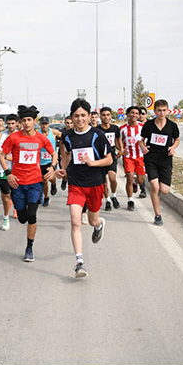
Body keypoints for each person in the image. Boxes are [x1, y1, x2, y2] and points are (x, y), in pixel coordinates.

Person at [56, 99, 112, 278]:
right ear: (72, 118)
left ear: (89, 116)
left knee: (93, 220)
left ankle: (99, 224)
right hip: (76, 184)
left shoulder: (97, 135)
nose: (79, 119)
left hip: (95, 184)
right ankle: (79, 262)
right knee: (75, 221)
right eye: (76, 116)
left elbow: (109, 159)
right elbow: (65, 154)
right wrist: (62, 169)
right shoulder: (67, 136)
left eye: (83, 115)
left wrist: (93, 163)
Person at [0, 105, 56, 262]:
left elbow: (53, 153)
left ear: (34, 121)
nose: (26, 123)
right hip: (17, 182)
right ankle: (21, 211)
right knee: (22, 218)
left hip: (35, 181)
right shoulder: (14, 138)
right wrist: (8, 173)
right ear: (20, 122)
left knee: (32, 214)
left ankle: (29, 247)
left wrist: (52, 167)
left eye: (29, 120)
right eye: (23, 120)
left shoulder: (41, 138)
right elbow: (2, 155)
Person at [139, 99, 180, 226]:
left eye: (164, 110)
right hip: (151, 158)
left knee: (165, 190)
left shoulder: (172, 126)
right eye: (159, 110)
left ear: (167, 111)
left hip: (165, 160)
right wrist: (143, 147)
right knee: (154, 186)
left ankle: (157, 197)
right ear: (155, 111)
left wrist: (173, 148)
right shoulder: (149, 125)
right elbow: (141, 140)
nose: (162, 113)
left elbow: (177, 140)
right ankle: (157, 215)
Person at [120, 106, 147, 210]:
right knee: (130, 177)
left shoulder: (143, 127)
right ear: (127, 114)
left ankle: (136, 183)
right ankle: (130, 200)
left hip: (140, 157)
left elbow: (146, 140)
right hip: (128, 157)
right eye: (132, 113)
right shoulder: (122, 129)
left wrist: (146, 147)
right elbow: (119, 141)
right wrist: (121, 149)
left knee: (141, 180)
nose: (134, 115)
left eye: (136, 113)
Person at [98, 107, 123, 211]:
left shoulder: (115, 128)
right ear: (100, 116)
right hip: (101, 158)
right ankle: (107, 200)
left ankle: (114, 196)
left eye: (108, 115)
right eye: (104, 115)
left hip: (112, 157)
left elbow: (118, 139)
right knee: (104, 182)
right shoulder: (97, 130)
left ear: (111, 116)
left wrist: (121, 149)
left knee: (113, 179)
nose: (106, 117)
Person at [38, 116, 61, 207]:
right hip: (40, 160)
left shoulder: (53, 132)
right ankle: (46, 197)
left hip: (51, 160)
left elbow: (63, 136)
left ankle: (54, 184)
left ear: (49, 124)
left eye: (46, 124)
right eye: (42, 124)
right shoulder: (37, 134)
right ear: (40, 125)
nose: (44, 126)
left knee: (50, 178)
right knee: (44, 180)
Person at [59, 116, 73, 191]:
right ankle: (64, 180)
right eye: (67, 123)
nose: (69, 125)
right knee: (64, 172)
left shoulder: (75, 132)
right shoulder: (63, 133)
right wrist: (62, 158)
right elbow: (61, 145)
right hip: (64, 154)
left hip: (72, 155)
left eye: (71, 123)